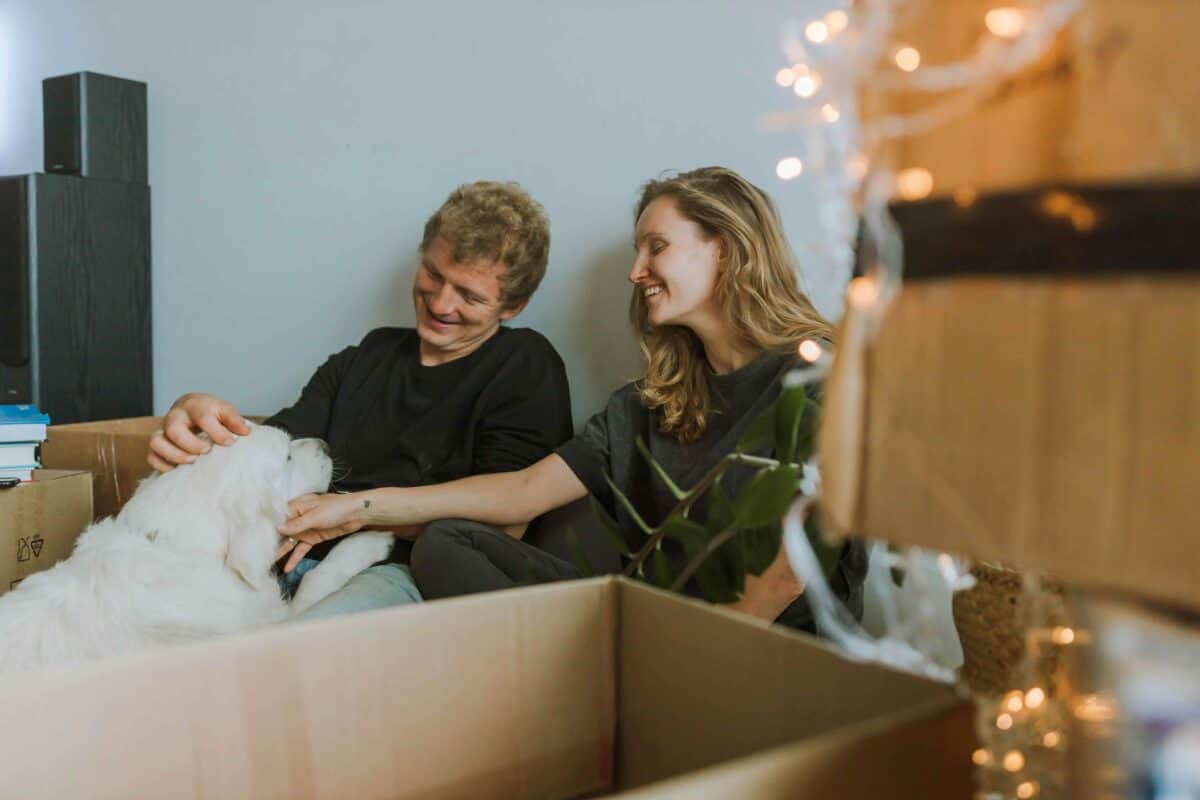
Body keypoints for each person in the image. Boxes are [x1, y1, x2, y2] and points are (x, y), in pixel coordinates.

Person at [277, 167, 867, 630]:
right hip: (645, 621)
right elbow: (524, 492)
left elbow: (788, 574)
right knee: (446, 542)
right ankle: (595, 668)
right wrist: (355, 508)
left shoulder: (817, 372)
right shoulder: (649, 402)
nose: (636, 272)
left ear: (725, 248)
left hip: (759, 645)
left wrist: (696, 665)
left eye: (655, 247)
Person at [147, 181, 574, 619]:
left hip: (396, 569)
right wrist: (192, 411)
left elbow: (502, 523)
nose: (441, 303)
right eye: (434, 274)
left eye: (469, 295)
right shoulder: (368, 355)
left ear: (513, 306)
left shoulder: (523, 365)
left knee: (291, 656)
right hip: (277, 555)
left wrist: (358, 515)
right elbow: (274, 444)